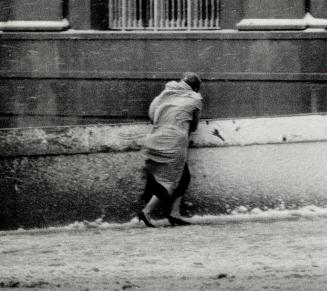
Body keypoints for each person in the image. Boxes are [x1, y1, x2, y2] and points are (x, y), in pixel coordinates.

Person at [138, 72, 203, 227]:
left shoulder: (164, 94)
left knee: (183, 176)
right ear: (195, 87)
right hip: (174, 142)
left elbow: (152, 115)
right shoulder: (195, 99)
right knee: (170, 181)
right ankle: (146, 212)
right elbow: (193, 126)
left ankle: (174, 213)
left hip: (155, 139)